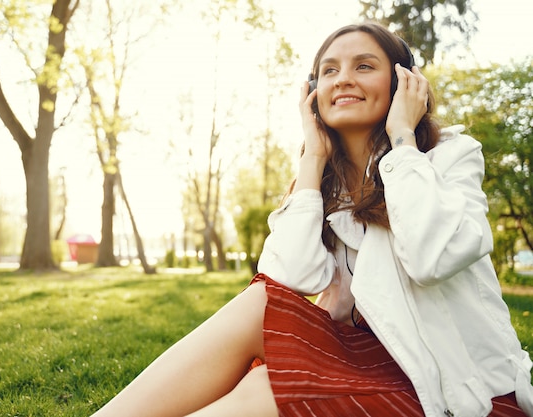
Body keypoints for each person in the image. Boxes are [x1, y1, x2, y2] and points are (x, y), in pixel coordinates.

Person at [90, 22, 533, 417]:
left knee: (269, 387)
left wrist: (402, 139)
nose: (343, 79)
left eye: (364, 66)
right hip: (370, 362)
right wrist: (313, 157)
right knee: (262, 316)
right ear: (313, 92)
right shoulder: (326, 184)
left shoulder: (449, 158)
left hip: (458, 389)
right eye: (329, 71)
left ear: (403, 84)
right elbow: (288, 278)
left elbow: (433, 256)